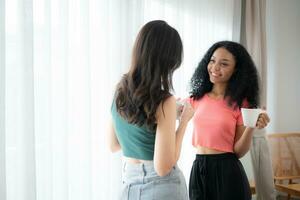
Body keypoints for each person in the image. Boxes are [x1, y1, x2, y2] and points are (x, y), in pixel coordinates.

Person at [107, 20, 194, 200]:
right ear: (167, 60)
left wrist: (165, 118)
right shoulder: (165, 101)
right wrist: (183, 121)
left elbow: (114, 145)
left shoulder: (119, 91)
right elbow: (163, 167)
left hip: (129, 183)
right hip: (163, 187)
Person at [187, 41, 270, 200]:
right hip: (198, 168)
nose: (215, 67)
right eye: (212, 61)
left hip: (227, 171)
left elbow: (238, 151)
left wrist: (252, 125)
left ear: (236, 70)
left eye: (224, 64)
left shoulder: (242, 104)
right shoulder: (195, 99)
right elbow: (170, 111)